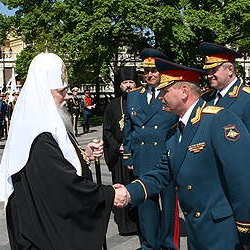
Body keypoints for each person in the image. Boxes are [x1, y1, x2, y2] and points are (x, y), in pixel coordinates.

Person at [0, 52, 128, 250]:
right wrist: (108, 195)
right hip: (41, 235)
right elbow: (63, 186)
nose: (66, 97)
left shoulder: (45, 122)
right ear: (43, 92)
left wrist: (84, 155)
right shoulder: (37, 133)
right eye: (61, 91)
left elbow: (57, 162)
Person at [115, 58, 250, 250]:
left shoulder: (219, 120)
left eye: (165, 91)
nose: (160, 97)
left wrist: (246, 230)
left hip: (223, 232)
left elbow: (242, 178)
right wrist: (129, 192)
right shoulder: (174, 131)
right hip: (197, 232)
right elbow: (162, 172)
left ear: (184, 92)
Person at [123, 48, 179, 250]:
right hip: (142, 156)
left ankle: (169, 244)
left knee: (169, 204)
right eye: (146, 71)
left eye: (154, 70)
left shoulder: (171, 93)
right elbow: (128, 126)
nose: (150, 75)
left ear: (161, 72)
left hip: (166, 154)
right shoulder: (134, 95)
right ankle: (149, 244)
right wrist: (128, 155)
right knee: (146, 204)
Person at [103, 66, 141, 236]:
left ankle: (141, 223)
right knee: (121, 187)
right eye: (125, 82)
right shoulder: (112, 106)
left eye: (131, 82)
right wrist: (117, 146)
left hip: (138, 155)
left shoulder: (142, 103)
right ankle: (125, 225)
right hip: (119, 156)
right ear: (120, 85)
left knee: (138, 188)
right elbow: (107, 130)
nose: (128, 85)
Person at [199, 42, 250, 131]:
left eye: (214, 70)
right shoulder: (205, 98)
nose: (209, 75)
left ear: (230, 69)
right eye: (208, 71)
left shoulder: (246, 98)